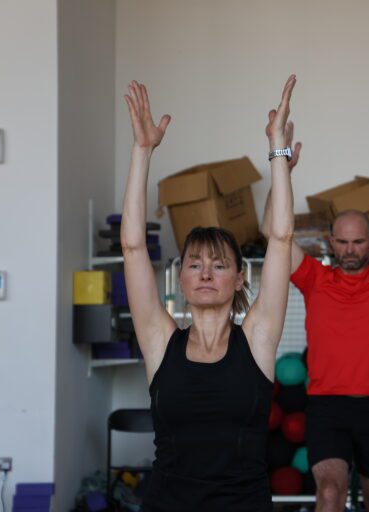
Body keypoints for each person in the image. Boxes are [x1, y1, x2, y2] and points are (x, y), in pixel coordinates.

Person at [121, 75, 297, 511]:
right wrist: (142, 153)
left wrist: (277, 151)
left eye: (219, 265)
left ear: (239, 278)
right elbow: (132, 246)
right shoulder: (160, 342)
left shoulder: (257, 339)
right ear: (180, 279)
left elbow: (280, 239)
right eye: (194, 265)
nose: (204, 274)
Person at [260, 113, 369, 512]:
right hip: (327, 406)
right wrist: (281, 167)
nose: (350, 249)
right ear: (330, 242)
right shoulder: (314, 278)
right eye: (343, 242)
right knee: (331, 494)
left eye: (358, 242)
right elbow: (271, 231)